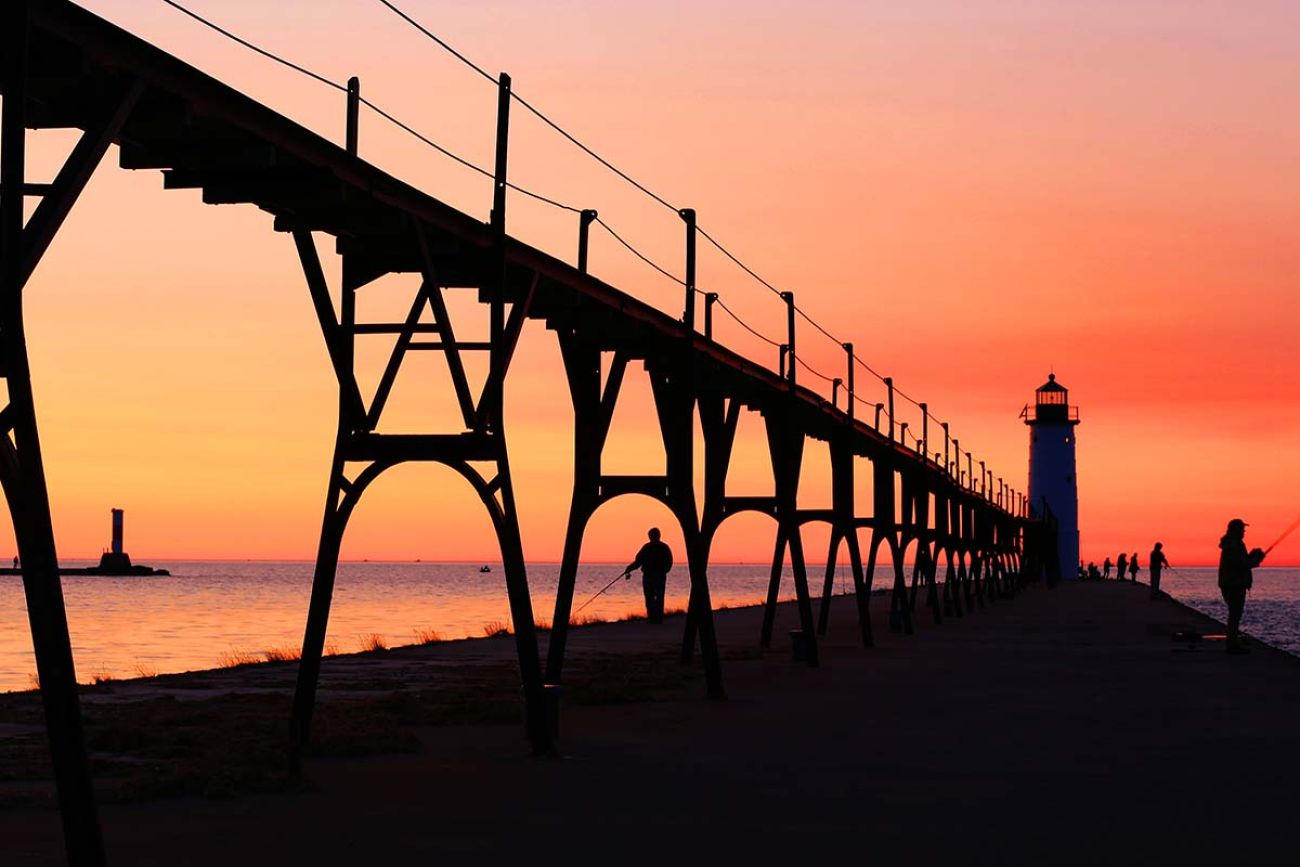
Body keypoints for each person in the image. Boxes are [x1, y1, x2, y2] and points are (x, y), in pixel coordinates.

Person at [1218, 518, 1265, 654]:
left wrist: (1252, 557)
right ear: (1236, 530)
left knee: (1234, 614)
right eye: (1242, 529)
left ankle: (1233, 642)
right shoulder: (1234, 544)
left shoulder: (1233, 543)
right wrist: (1255, 560)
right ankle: (1232, 644)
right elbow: (1241, 564)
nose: (1244, 531)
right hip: (1234, 584)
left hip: (1231, 583)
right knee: (1235, 615)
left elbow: (1241, 561)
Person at [623, 527, 673, 624]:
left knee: (650, 597)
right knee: (658, 597)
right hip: (657, 576)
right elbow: (669, 562)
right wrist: (629, 569)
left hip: (651, 576)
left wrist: (629, 568)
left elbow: (638, 561)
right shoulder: (663, 547)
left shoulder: (647, 547)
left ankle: (653, 618)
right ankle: (657, 618)